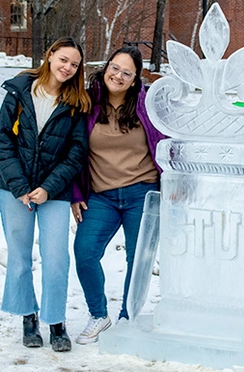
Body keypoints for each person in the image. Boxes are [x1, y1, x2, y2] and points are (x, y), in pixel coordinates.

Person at [0, 37, 91, 352]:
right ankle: (29, 317)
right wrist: (21, 187)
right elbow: (2, 140)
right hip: (14, 189)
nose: (67, 67)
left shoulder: (76, 102)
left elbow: (76, 152)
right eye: (63, 59)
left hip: (55, 191)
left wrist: (48, 187)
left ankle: (56, 322)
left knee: (56, 259)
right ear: (50, 55)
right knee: (20, 257)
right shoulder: (19, 90)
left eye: (74, 64)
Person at [72, 46, 165, 344]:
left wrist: (174, 184)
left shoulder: (147, 104)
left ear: (136, 78)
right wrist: (75, 193)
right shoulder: (87, 102)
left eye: (127, 72)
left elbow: (166, 140)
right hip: (101, 195)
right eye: (115, 68)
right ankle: (99, 314)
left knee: (138, 260)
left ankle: (129, 316)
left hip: (143, 193)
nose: (119, 76)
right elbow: (72, 150)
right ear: (106, 66)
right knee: (85, 251)